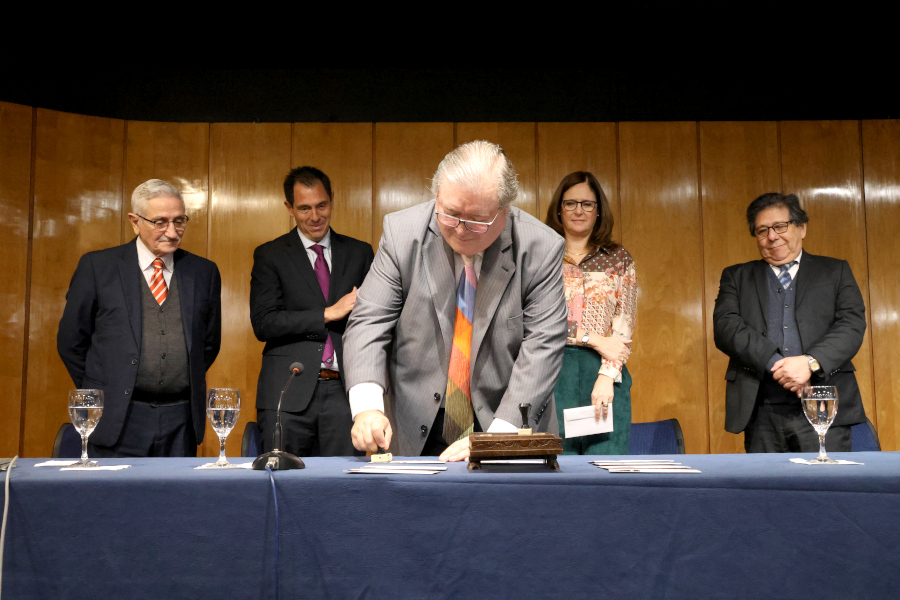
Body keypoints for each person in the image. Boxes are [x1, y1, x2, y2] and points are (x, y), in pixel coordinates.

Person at [343, 140, 568, 461]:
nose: (461, 230)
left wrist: (498, 440)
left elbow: (544, 345)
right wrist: (366, 408)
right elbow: (368, 322)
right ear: (437, 196)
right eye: (450, 214)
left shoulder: (540, 247)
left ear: (505, 210)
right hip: (413, 423)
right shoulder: (402, 233)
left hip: (504, 419)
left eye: (477, 219)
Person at [57, 179, 221, 457]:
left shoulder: (203, 272)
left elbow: (208, 343)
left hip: (180, 420)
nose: (172, 231)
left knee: (175, 501)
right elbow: (71, 342)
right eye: (160, 222)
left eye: (179, 220)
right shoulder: (98, 267)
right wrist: (104, 389)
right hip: (117, 419)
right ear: (135, 221)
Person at [713, 192, 867, 453]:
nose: (772, 236)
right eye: (762, 230)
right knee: (768, 491)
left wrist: (809, 362)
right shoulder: (737, 277)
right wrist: (776, 364)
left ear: (802, 227)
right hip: (761, 408)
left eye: (780, 226)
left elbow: (851, 325)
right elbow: (726, 327)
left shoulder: (835, 271)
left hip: (823, 402)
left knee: (826, 489)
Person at [250, 166, 374, 456]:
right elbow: (264, 322)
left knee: (345, 485)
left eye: (322, 205)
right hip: (287, 392)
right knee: (282, 485)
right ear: (289, 208)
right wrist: (327, 314)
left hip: (345, 392)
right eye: (304, 208)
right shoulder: (270, 255)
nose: (315, 217)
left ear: (332, 200)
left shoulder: (360, 253)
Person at [544, 172, 637, 455]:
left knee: (606, 469)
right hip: (551, 373)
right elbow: (535, 320)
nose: (578, 211)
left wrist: (607, 376)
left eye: (587, 204)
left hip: (604, 376)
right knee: (557, 467)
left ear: (598, 210)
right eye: (570, 203)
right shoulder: (542, 256)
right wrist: (590, 338)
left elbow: (624, 326)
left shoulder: (619, 258)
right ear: (559, 209)